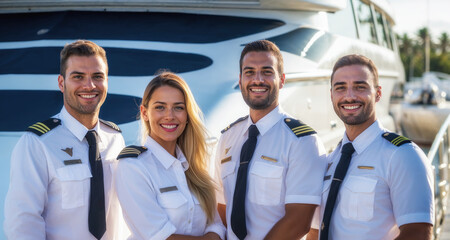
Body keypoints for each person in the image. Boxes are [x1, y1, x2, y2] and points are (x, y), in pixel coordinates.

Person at [4, 40, 128, 239]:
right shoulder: (37, 143)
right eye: (78, 76)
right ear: (62, 83)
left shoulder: (115, 138)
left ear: (107, 82)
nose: (89, 85)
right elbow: (23, 222)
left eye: (98, 76)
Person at [308, 54, 434, 240]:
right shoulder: (331, 159)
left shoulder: (403, 155)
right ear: (332, 95)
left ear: (378, 93)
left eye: (360, 87)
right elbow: (314, 231)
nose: (349, 96)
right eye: (340, 88)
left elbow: (418, 233)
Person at [215, 39, 327, 240]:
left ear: (282, 80)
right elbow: (222, 206)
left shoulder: (302, 141)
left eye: (267, 72)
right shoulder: (227, 138)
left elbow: (299, 221)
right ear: (240, 80)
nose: (257, 80)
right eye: (249, 72)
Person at [114, 72, 226, 240]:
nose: (170, 116)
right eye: (160, 107)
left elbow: (216, 224)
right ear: (144, 113)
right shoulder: (133, 166)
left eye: (178, 107)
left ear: (187, 115)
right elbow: (158, 236)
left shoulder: (194, 167)